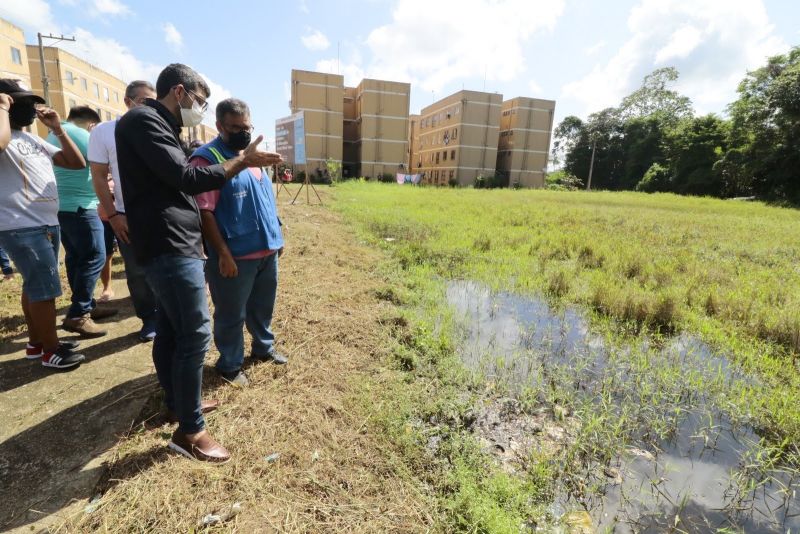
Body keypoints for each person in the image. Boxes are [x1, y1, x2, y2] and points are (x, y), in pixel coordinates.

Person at [115, 64, 282, 463]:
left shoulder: (161, 127)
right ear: (180, 91)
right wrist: (241, 161)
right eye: (200, 102)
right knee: (195, 333)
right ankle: (190, 432)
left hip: (178, 243)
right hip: (168, 244)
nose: (199, 110)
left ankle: (178, 405)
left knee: (173, 330)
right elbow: (186, 179)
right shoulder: (143, 121)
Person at [192, 98, 286, 388]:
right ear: (219, 126)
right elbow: (205, 213)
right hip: (235, 255)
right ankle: (230, 364)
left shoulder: (253, 156)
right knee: (231, 314)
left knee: (262, 306)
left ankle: (263, 347)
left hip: (266, 251)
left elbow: (265, 200)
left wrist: (277, 235)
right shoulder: (207, 160)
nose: (243, 132)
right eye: (235, 127)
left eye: (247, 126)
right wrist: (221, 253)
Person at [0, 79, 84, 368]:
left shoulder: (32, 139)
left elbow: (76, 162)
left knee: (34, 287)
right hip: (20, 225)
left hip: (46, 223)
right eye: (18, 101)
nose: (28, 107)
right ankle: (52, 351)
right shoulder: (3, 136)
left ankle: (37, 343)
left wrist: (57, 130)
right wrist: (0, 108)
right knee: (45, 290)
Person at [89, 80, 159, 341]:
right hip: (126, 215)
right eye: (143, 101)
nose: (148, 107)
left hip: (161, 213)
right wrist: (114, 215)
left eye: (152, 101)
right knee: (137, 270)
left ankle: (167, 314)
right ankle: (148, 316)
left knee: (166, 266)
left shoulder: (159, 128)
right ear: (128, 102)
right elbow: (98, 177)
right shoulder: (105, 132)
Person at [48, 106, 117, 338]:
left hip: (63, 206)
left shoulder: (55, 133)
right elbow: (104, 163)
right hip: (82, 206)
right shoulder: (83, 135)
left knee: (76, 258)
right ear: (90, 124)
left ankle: (87, 306)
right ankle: (79, 314)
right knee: (95, 256)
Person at [96, 174, 116, 302]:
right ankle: (107, 287)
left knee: (130, 252)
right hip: (102, 217)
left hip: (123, 215)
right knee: (106, 253)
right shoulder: (95, 171)